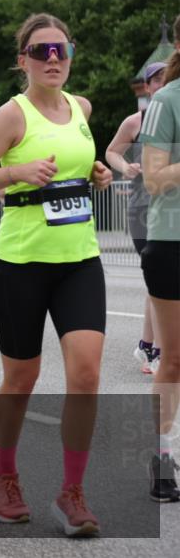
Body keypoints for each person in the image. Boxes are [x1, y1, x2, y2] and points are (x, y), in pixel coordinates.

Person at [0, 13, 113, 536]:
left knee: (86, 376)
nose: (53, 59)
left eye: (62, 50)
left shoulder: (81, 108)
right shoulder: (11, 115)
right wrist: (15, 172)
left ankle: (72, 493)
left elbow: (76, 163)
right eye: (41, 51)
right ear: (23, 60)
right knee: (22, 380)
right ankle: (2, 473)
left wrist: (95, 172)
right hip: (21, 265)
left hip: (79, 260)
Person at [106, 61, 168, 375]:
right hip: (144, 210)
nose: (162, 84)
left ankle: (147, 346)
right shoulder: (137, 121)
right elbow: (112, 151)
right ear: (146, 87)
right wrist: (125, 167)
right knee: (161, 278)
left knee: (161, 279)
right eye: (156, 80)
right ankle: (156, 351)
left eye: (167, 78)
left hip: (171, 209)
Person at [139, 45, 180, 502]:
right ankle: (163, 455)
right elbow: (153, 178)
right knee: (174, 358)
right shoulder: (167, 100)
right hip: (173, 241)